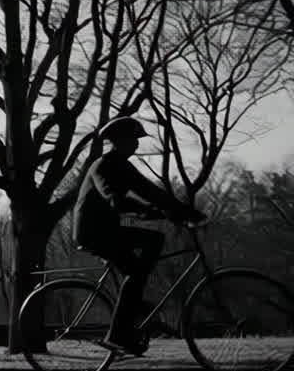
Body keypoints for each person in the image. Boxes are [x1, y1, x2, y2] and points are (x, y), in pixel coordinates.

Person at [72, 116, 206, 355]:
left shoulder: (124, 166)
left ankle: (133, 311)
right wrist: (146, 210)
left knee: (142, 260)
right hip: (93, 233)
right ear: (119, 141)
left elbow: (152, 192)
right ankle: (118, 334)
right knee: (144, 256)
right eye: (133, 139)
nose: (136, 144)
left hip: (108, 230)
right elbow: (114, 198)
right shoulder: (102, 166)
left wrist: (187, 213)